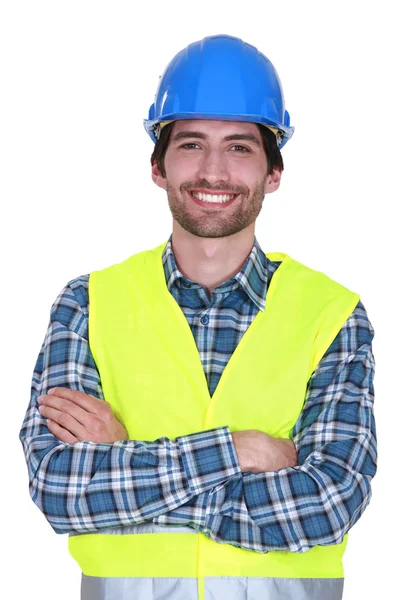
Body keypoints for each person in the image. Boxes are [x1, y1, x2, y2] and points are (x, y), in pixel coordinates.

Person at [19, 34, 377, 600]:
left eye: (239, 147)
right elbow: (60, 487)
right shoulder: (87, 303)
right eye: (191, 145)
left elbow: (329, 505)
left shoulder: (333, 314)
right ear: (158, 167)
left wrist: (125, 463)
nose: (214, 171)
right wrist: (238, 450)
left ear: (273, 173)